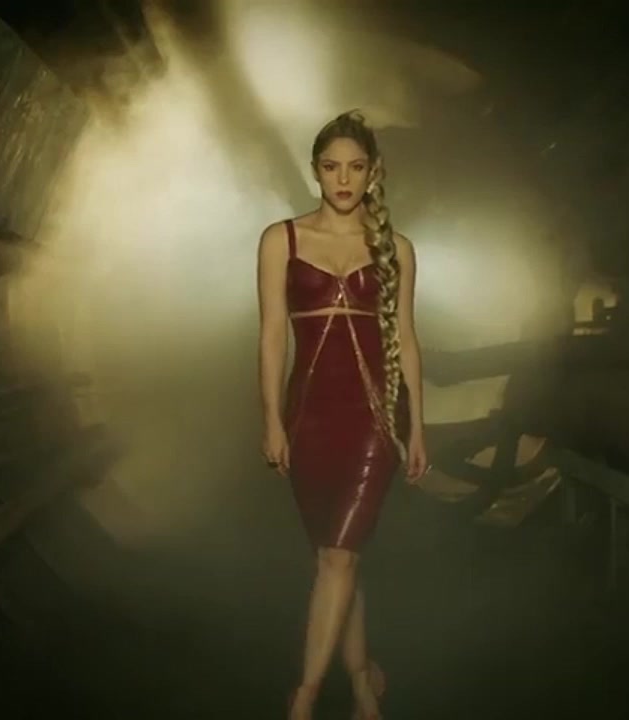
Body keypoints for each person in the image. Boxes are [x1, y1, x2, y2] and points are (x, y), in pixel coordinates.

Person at [256, 110, 429, 720]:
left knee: (340, 557)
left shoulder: (397, 249)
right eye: (332, 167)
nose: (344, 179)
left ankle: (302, 699)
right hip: (308, 418)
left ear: (374, 172)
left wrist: (418, 427)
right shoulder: (281, 240)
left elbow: (407, 337)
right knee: (335, 556)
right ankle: (361, 684)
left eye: (356, 167)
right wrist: (272, 419)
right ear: (315, 171)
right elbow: (271, 337)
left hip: (375, 422)